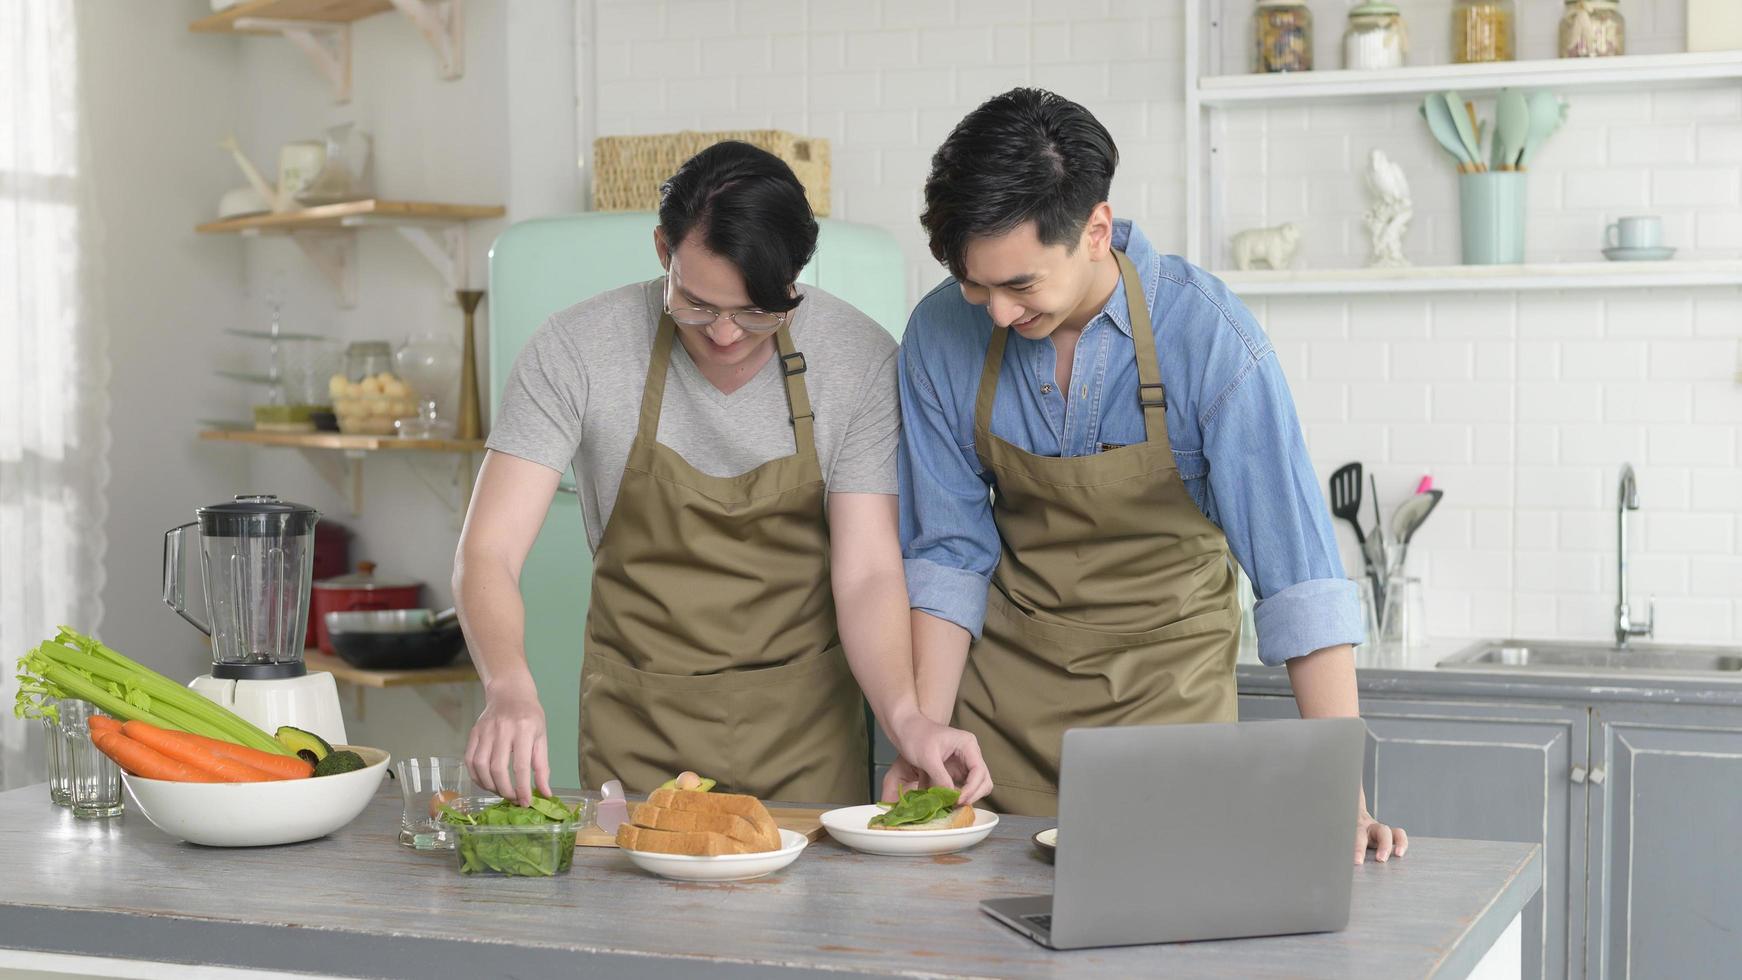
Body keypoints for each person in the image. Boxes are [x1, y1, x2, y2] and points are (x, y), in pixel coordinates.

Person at [891, 89, 1405, 862]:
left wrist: (1343, 800)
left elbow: (1299, 580)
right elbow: (948, 554)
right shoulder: (939, 334)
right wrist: (922, 739)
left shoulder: (1211, 339)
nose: (993, 312)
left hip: (1172, 729)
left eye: (1020, 285)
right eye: (975, 285)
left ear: (1095, 229)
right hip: (1002, 734)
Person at [455, 141, 990, 807]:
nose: (728, 336)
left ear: (797, 274)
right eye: (698, 306)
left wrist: (908, 717)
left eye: (761, 311)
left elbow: (869, 572)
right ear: (662, 252)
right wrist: (508, 688)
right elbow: (489, 550)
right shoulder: (576, 351)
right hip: (639, 725)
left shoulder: (858, 358)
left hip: (805, 735)